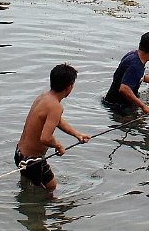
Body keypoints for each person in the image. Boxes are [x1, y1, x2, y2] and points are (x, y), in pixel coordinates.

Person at [14, 64, 91, 192]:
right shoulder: (56, 106)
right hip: (32, 161)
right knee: (50, 189)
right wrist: (58, 145)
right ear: (69, 87)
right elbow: (45, 138)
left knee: (32, 185)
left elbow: (56, 121)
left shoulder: (43, 96)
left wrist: (77, 134)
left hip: (19, 154)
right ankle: (54, 210)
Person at [103, 32, 149, 114]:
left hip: (112, 101)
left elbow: (132, 76)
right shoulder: (135, 66)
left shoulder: (133, 56)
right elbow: (124, 89)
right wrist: (143, 107)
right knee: (137, 125)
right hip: (119, 107)